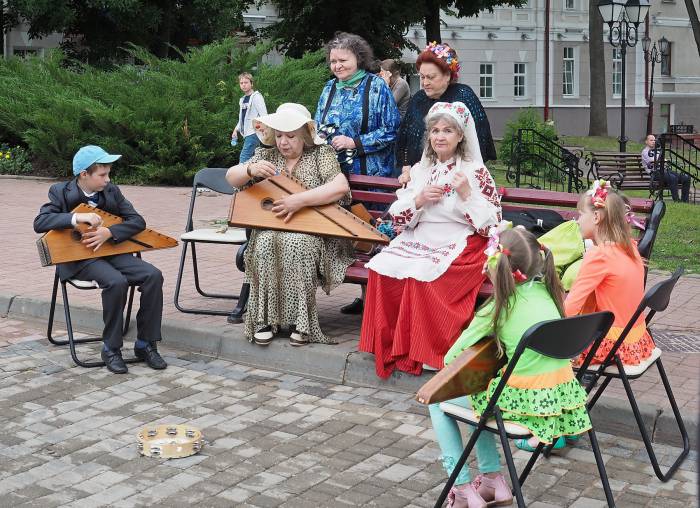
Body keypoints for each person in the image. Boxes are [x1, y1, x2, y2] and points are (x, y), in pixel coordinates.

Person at [431, 225, 592, 506]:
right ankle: (493, 482)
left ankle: (461, 488)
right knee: (479, 396)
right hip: (561, 402)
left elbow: (451, 360)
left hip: (525, 407)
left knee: (440, 399)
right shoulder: (550, 293)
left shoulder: (501, 307)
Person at [359, 102, 501, 379]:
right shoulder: (421, 169)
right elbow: (398, 217)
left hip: (460, 237)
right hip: (421, 233)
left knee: (423, 275)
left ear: (460, 135)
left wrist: (466, 195)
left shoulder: (474, 171)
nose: (440, 136)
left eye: (447, 130)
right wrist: (419, 199)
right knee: (382, 266)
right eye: (435, 130)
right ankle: (386, 345)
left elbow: (492, 224)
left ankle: (425, 351)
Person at [226, 103, 355, 345]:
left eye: (291, 136)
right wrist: (250, 169)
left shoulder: (321, 154)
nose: (283, 142)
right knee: (263, 243)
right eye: (279, 135)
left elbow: (340, 187)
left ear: (305, 134)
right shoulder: (266, 154)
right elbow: (231, 177)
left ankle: (300, 323)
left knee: (297, 243)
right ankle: (265, 319)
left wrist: (299, 201)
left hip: (316, 230)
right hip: (274, 227)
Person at [33, 145, 167, 374]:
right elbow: (40, 223)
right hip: (79, 259)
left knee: (153, 276)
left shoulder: (112, 191)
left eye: (108, 174)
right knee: (116, 282)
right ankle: (111, 348)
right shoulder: (60, 192)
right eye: (102, 175)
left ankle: (146, 344)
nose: (108, 179)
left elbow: (137, 221)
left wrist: (110, 233)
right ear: (84, 174)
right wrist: (76, 217)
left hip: (111, 252)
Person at [565, 179, 655, 366]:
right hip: (637, 342)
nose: (577, 220)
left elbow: (568, 310)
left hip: (610, 347)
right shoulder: (629, 247)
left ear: (596, 217)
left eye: (581, 214)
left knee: (534, 341)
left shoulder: (599, 255)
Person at [396, 42, 496, 184]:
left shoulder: (463, 96)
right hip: (418, 178)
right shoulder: (418, 99)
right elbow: (404, 138)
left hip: (456, 180)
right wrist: (406, 169)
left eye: (431, 77)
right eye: (422, 77)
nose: (425, 83)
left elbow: (478, 140)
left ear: (447, 75)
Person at [314, 32, 401, 178]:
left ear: (358, 59)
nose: (337, 66)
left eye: (343, 60)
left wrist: (354, 142)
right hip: (332, 174)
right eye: (333, 61)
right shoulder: (329, 88)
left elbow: (391, 129)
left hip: (369, 175)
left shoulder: (377, 86)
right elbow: (317, 124)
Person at [640, 134, 690, 202]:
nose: (653, 141)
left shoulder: (657, 150)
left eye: (654, 140)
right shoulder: (645, 152)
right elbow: (654, 162)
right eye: (651, 140)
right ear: (646, 142)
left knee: (686, 178)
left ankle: (685, 201)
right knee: (673, 178)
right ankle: (677, 200)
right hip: (655, 173)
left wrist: (662, 161)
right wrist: (662, 161)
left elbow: (664, 161)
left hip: (665, 171)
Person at [232, 72, 268, 163]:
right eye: (241, 83)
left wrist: (262, 130)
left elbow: (264, 115)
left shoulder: (257, 97)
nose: (243, 85)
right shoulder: (243, 99)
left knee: (244, 158)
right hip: (247, 133)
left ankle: (239, 176)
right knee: (252, 160)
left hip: (253, 132)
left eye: (246, 82)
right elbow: (242, 118)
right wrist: (236, 130)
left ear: (251, 84)